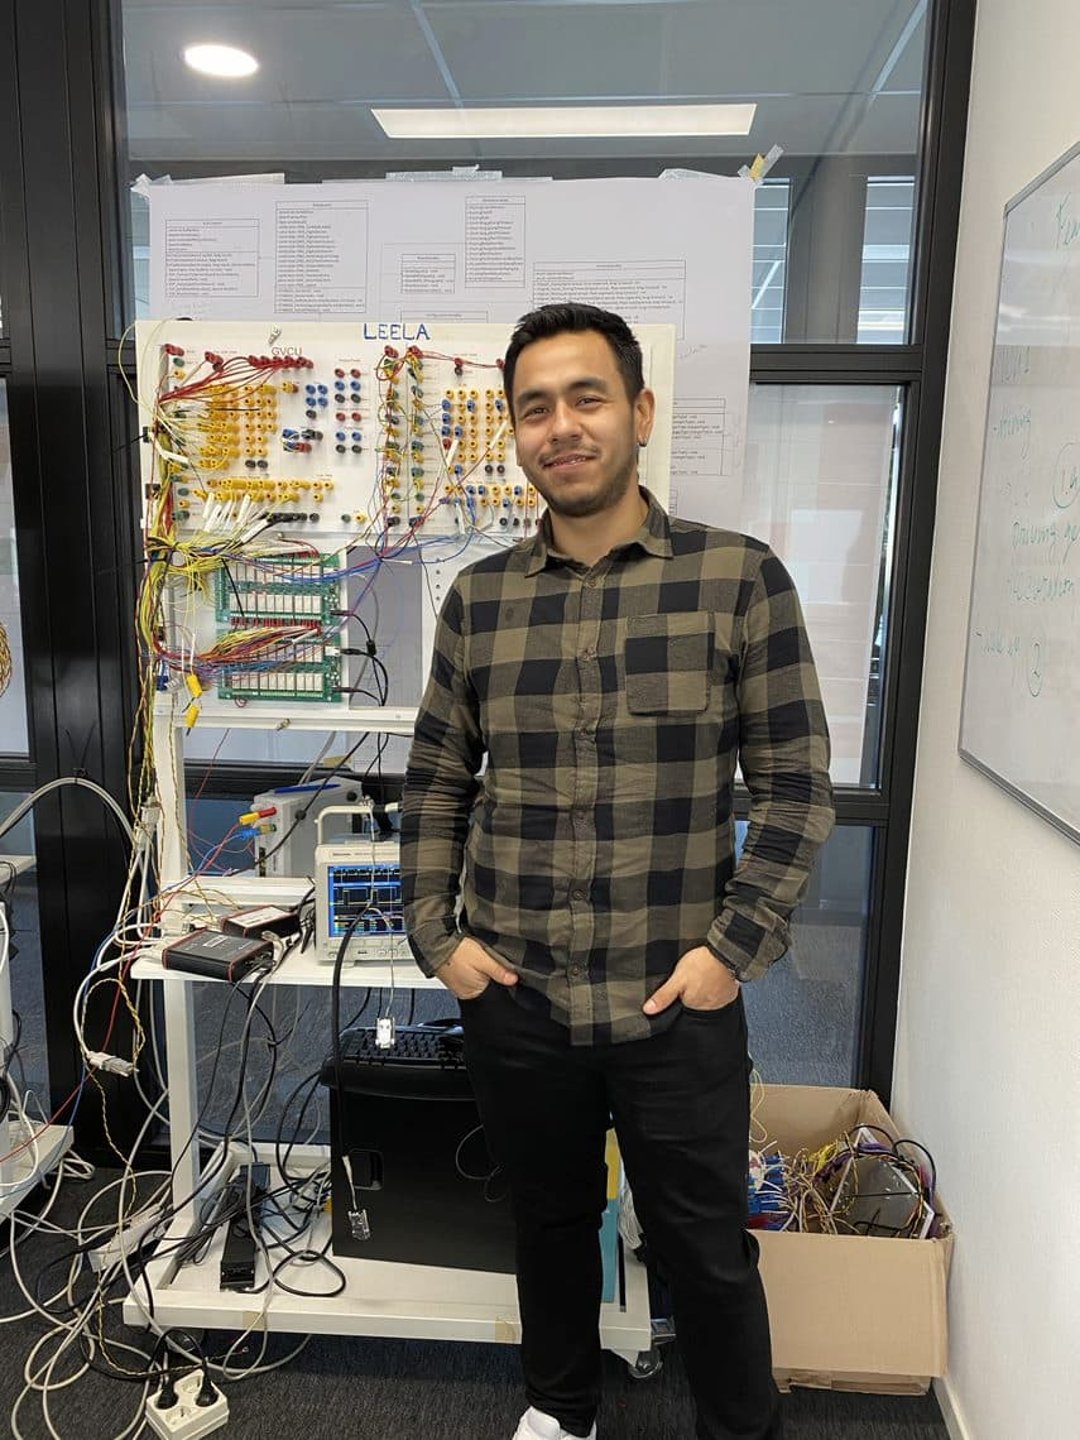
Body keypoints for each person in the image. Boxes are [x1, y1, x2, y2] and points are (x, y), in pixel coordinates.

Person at [401, 303, 834, 1440]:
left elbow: (794, 789)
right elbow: (439, 781)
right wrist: (438, 941)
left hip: (672, 993)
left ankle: (740, 1427)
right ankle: (562, 1407)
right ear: (516, 434)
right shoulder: (479, 599)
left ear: (639, 412)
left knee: (701, 1238)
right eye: (534, 407)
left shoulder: (739, 580)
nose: (563, 427)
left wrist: (728, 958)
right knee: (546, 1217)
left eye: (587, 398)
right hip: (518, 989)